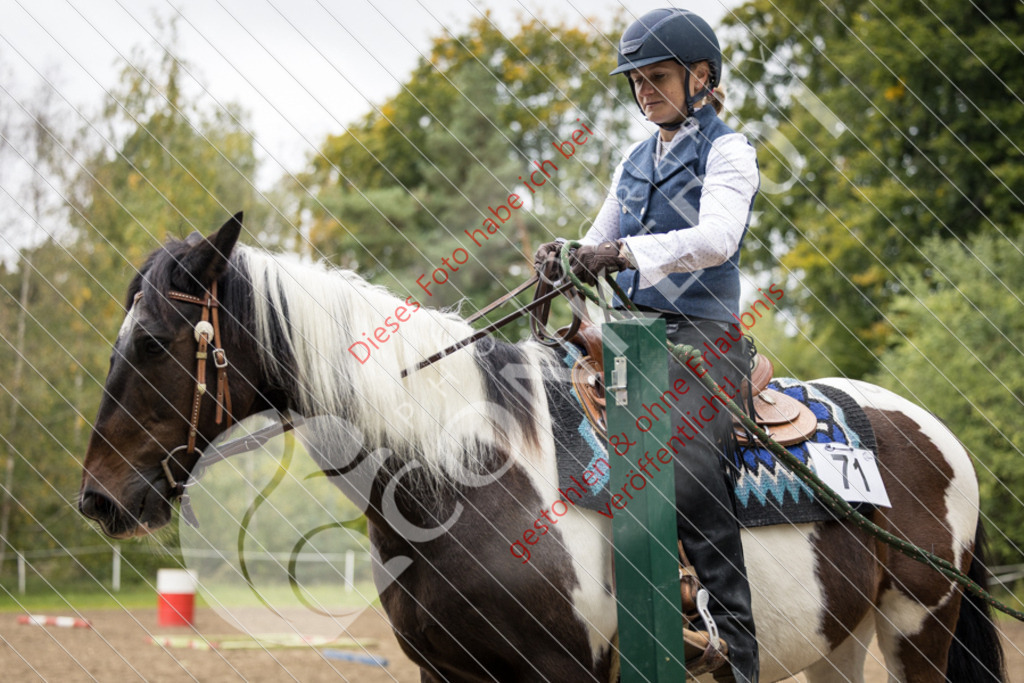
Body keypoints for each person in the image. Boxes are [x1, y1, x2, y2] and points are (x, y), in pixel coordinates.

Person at [535, 8, 760, 682]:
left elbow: (718, 237)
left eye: (657, 77)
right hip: (631, 342)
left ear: (701, 76)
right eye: (636, 80)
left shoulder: (729, 150)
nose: (645, 91)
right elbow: (597, 237)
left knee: (686, 472)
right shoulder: (632, 160)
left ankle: (737, 656)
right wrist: (565, 254)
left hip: (703, 347)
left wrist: (621, 251)